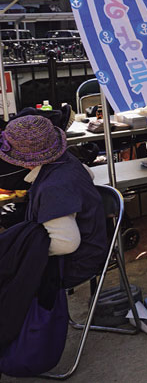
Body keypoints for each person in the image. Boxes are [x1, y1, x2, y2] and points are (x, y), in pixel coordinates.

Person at [0, 115, 106, 289]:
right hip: (92, 244)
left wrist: (22, 253)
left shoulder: (53, 186)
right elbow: (89, 175)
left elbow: (66, 243)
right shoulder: (68, 161)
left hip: (75, 263)